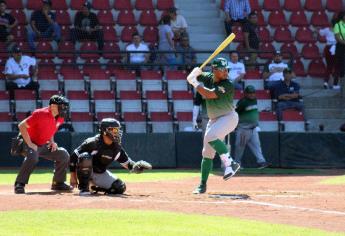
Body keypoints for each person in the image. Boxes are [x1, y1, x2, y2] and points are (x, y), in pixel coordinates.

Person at [186, 58, 240, 194]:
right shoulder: (209, 77)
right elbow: (198, 74)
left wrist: (193, 81)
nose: (226, 72)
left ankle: (230, 163)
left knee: (210, 136)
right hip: (214, 119)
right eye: (222, 69)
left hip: (229, 117)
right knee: (207, 153)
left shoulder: (228, 84)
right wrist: (194, 72)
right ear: (214, 70)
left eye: (226, 69)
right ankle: (202, 185)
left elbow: (208, 94)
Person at [69, 118, 152, 195]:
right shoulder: (92, 143)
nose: (117, 132)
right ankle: (84, 188)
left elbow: (127, 163)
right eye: (114, 130)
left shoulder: (116, 148)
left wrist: (136, 166)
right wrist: (73, 176)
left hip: (99, 173)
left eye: (117, 130)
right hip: (84, 171)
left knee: (119, 187)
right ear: (105, 131)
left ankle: (93, 187)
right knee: (85, 157)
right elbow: (74, 156)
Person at [13, 95, 72, 194]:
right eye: (62, 106)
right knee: (33, 156)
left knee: (63, 155)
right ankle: (19, 183)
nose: (64, 109)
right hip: (27, 142)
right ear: (53, 106)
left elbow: (51, 130)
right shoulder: (40, 114)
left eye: (65, 107)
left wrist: (52, 141)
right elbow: (21, 125)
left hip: (43, 144)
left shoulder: (60, 118)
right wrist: (30, 143)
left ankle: (58, 183)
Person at [234, 85, 268, 169]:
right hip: (243, 129)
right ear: (246, 93)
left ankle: (261, 162)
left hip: (253, 129)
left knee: (257, 146)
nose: (252, 94)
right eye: (250, 93)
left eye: (253, 93)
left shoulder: (255, 100)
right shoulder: (242, 102)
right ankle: (237, 164)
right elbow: (235, 114)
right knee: (240, 147)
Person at [318, 17, 338, 89]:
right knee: (337, 67)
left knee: (329, 66)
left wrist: (316, 29)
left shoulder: (327, 30)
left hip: (327, 48)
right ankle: (334, 84)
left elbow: (320, 32)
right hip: (335, 48)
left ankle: (326, 82)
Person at [334, 11, 345, 93]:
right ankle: (342, 87)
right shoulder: (337, 25)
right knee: (342, 67)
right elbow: (338, 38)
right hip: (341, 48)